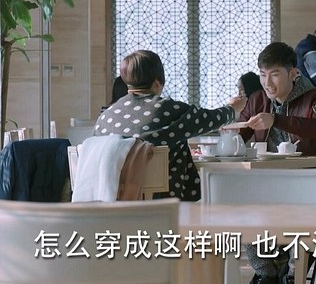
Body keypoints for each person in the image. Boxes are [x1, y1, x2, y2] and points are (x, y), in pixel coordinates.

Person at [236, 42, 316, 284]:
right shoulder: (258, 100)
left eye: (275, 74)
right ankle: (267, 275)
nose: (267, 83)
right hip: (268, 182)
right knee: (242, 206)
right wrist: (228, 126)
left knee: (299, 214)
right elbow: (240, 132)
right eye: (262, 74)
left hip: (309, 181)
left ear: (293, 73)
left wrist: (276, 120)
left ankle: (292, 276)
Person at [93, 50, 246, 201]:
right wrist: (233, 109)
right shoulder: (170, 110)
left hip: (111, 199)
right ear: (157, 83)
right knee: (179, 142)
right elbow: (210, 119)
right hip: (164, 200)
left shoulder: (105, 117)